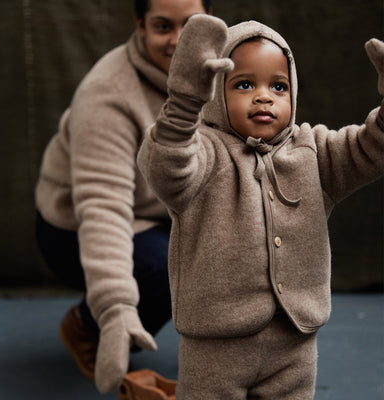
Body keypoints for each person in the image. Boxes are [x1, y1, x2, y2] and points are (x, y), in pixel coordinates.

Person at [137, 14, 384, 399]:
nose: (264, 95)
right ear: (217, 93)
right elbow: (166, 166)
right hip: (216, 346)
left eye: (279, 86)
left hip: (294, 343)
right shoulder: (204, 152)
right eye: (245, 84)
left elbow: (368, 149)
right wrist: (183, 106)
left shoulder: (313, 152)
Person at [35, 0, 211, 394]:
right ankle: (87, 326)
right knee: (174, 270)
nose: (179, 40)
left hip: (163, 210)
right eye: (163, 26)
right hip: (78, 226)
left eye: (191, 25)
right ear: (140, 25)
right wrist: (114, 307)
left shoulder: (225, 71)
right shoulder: (107, 93)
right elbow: (103, 208)